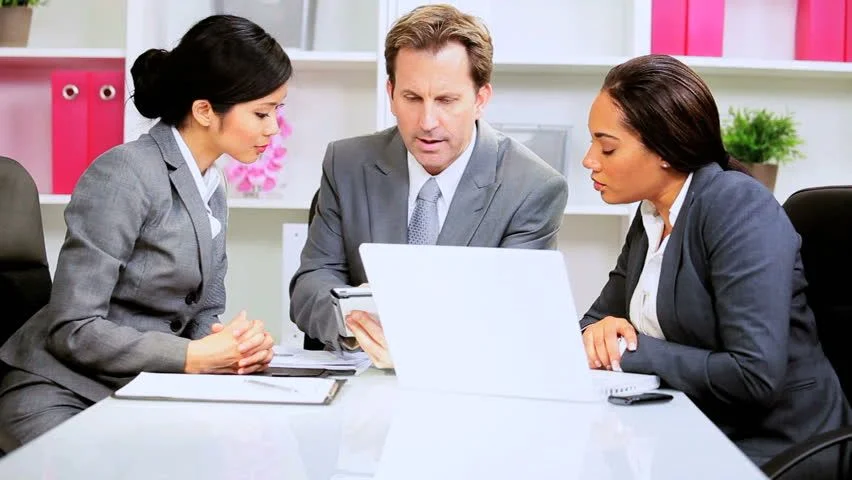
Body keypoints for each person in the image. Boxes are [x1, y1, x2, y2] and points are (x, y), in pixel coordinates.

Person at [0, 14, 290, 445]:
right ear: (204, 110)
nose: (273, 128)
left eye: (277, 111)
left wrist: (234, 349)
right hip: (61, 392)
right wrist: (194, 355)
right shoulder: (124, 173)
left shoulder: (211, 184)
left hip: (137, 390)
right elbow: (73, 327)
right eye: (261, 113)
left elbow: (202, 311)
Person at [580, 54, 850, 466]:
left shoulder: (737, 207)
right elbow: (595, 321)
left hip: (782, 446)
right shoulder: (653, 214)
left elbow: (753, 375)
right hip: (692, 426)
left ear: (665, 149)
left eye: (607, 147)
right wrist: (599, 333)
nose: (589, 159)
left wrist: (626, 351)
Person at [289, 4, 568, 366]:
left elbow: (513, 315)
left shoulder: (533, 187)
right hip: (366, 376)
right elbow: (311, 284)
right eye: (412, 98)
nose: (427, 122)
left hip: (468, 378)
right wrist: (356, 319)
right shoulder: (347, 164)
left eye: (446, 100)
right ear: (391, 93)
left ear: (480, 99)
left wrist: (417, 339)